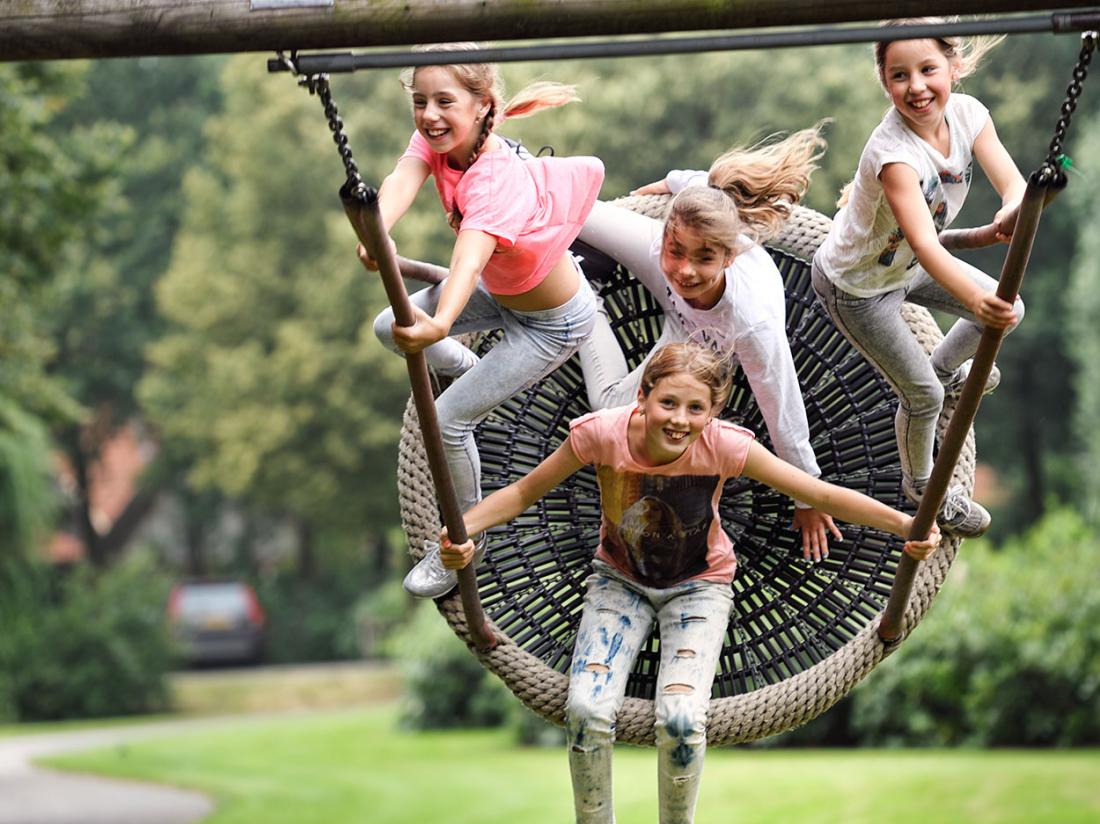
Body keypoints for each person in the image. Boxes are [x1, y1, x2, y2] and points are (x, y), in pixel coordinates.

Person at [438, 342, 940, 824]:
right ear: (643, 396)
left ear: (713, 412)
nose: (679, 419)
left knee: (679, 719)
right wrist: (464, 530)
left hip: (699, 587)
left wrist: (904, 526)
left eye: (695, 408)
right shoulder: (599, 436)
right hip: (619, 582)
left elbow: (817, 492)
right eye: (668, 402)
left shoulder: (725, 445)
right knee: (587, 709)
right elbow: (525, 491)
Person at [360, 44, 605, 598]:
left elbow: (469, 257)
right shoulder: (438, 137)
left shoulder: (495, 179)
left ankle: (460, 542)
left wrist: (442, 321)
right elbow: (401, 178)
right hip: (502, 292)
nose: (428, 114)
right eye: (420, 101)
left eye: (444, 102)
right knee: (385, 327)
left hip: (551, 321)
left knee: (446, 419)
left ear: (482, 107)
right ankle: (475, 369)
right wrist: (375, 233)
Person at [575, 126, 842, 561]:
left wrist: (808, 497)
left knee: (609, 410)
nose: (686, 270)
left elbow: (783, 410)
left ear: (728, 257)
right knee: (579, 212)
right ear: (666, 235)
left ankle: (581, 302)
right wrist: (662, 188)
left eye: (704, 259)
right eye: (677, 251)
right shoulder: (676, 239)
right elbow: (690, 182)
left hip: (696, 339)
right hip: (665, 279)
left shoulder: (751, 323)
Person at [812, 19, 1026, 537]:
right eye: (900, 75)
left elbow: (1013, 183)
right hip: (858, 288)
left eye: (928, 69)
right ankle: (927, 490)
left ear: (953, 66)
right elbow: (928, 247)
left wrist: (1013, 210)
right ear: (886, 83)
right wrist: (977, 299)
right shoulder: (895, 156)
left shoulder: (970, 116)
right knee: (923, 397)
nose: (917, 86)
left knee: (1012, 310)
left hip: (903, 263)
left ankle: (946, 369)